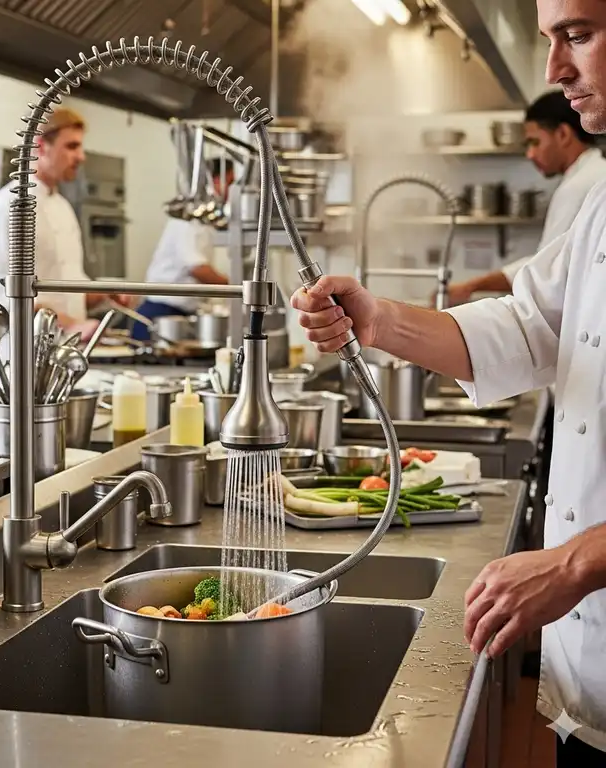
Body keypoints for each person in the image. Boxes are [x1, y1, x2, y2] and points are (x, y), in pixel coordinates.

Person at [292, 2, 606, 763]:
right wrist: (381, 321)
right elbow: (534, 325)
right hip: (593, 676)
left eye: (578, 35)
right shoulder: (604, 194)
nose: (554, 71)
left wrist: (575, 562)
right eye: (548, 40)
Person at [0, 107, 129, 342]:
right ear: (40, 146)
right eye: (71, 146)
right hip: (23, 355)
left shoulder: (62, 206)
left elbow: (66, 286)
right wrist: (69, 324)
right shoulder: (8, 208)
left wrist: (104, 294)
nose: (81, 157)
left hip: (65, 352)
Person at [443, 90, 606, 306]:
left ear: (563, 135)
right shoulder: (594, 171)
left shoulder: (578, 186)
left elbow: (545, 271)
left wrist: (471, 286)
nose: (530, 154)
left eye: (534, 142)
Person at [131, 158, 234, 341]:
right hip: (161, 313)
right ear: (215, 181)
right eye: (230, 182)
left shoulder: (204, 221)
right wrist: (236, 288)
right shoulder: (189, 220)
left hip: (178, 314)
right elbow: (197, 268)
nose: (232, 191)